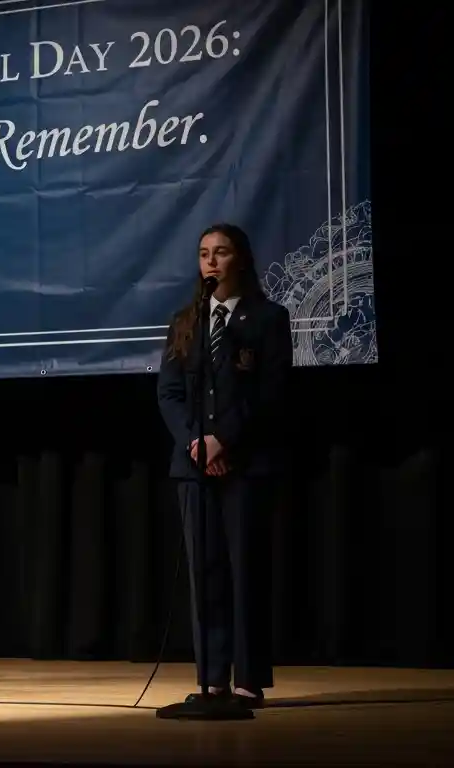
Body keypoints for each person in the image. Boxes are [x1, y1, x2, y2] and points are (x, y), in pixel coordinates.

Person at [155, 223, 292, 710]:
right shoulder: (185, 321)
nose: (211, 261)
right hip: (192, 468)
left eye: (222, 252)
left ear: (241, 259)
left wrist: (222, 440)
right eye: (203, 253)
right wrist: (195, 443)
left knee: (245, 573)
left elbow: (269, 394)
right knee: (204, 573)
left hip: (246, 464)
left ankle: (247, 680)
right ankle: (211, 678)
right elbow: (169, 393)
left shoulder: (268, 319)